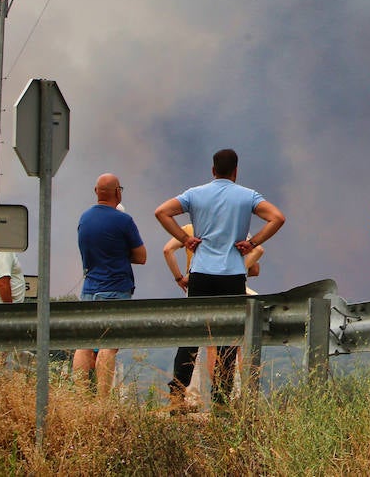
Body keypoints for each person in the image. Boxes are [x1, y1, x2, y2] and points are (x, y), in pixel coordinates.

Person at [155, 148, 285, 404]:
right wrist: (253, 242)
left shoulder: (195, 194)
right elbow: (277, 218)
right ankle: (221, 398)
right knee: (228, 338)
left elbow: (162, 212)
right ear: (236, 171)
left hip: (201, 273)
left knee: (192, 336)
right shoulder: (248, 196)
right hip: (232, 275)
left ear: (213, 170)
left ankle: (177, 396)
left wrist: (185, 239)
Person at [162, 222, 264, 408]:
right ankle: (232, 395)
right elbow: (258, 253)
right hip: (231, 284)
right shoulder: (233, 226)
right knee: (233, 344)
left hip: (197, 285)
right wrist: (241, 269)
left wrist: (179, 278)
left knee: (197, 344)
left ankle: (185, 396)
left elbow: (167, 250)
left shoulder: (190, 229)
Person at [73, 174, 146, 397]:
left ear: (96, 191)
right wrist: (121, 254)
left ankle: (81, 399)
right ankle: (102, 402)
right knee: (108, 345)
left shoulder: (84, 219)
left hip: (89, 289)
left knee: (84, 343)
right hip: (116, 289)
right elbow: (141, 256)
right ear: (118, 192)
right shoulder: (124, 220)